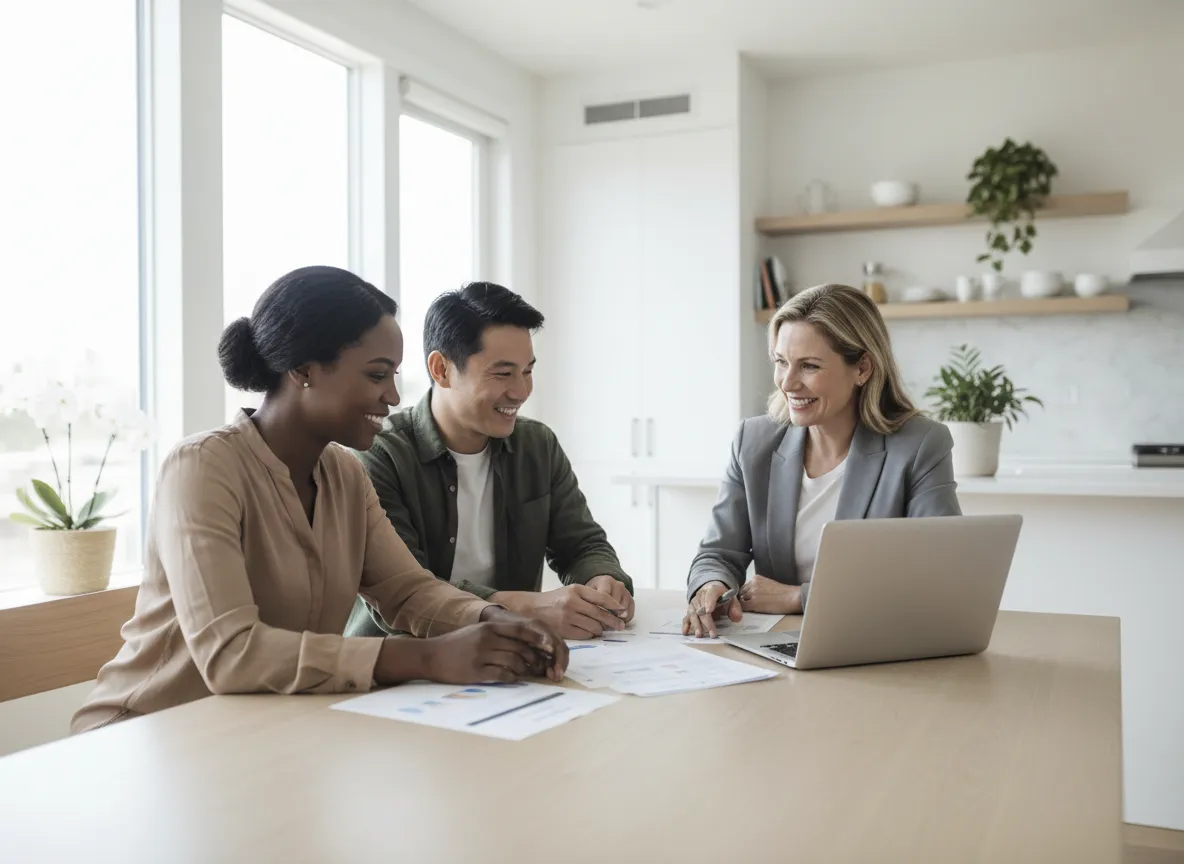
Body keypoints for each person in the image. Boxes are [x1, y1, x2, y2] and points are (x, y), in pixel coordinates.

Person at [72, 266, 567, 734]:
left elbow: (408, 591)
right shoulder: (202, 468)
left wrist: (494, 620)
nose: (393, 397)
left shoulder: (345, 474)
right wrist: (425, 657)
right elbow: (231, 654)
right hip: (144, 735)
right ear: (304, 370)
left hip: (262, 736)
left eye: (394, 375)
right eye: (377, 375)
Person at [345, 282, 635, 642]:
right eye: (503, 373)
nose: (521, 391)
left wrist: (602, 580)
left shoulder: (537, 446)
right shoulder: (378, 454)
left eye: (527, 371)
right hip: (400, 663)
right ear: (441, 369)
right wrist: (524, 609)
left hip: (506, 659)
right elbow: (407, 591)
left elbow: (582, 544)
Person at [683, 283, 961, 638]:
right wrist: (711, 587)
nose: (788, 382)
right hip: (777, 646)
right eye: (781, 362)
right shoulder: (753, 443)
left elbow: (938, 576)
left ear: (862, 368)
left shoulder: (920, 445)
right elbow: (719, 553)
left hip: (874, 642)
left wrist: (798, 597)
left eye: (809, 366)